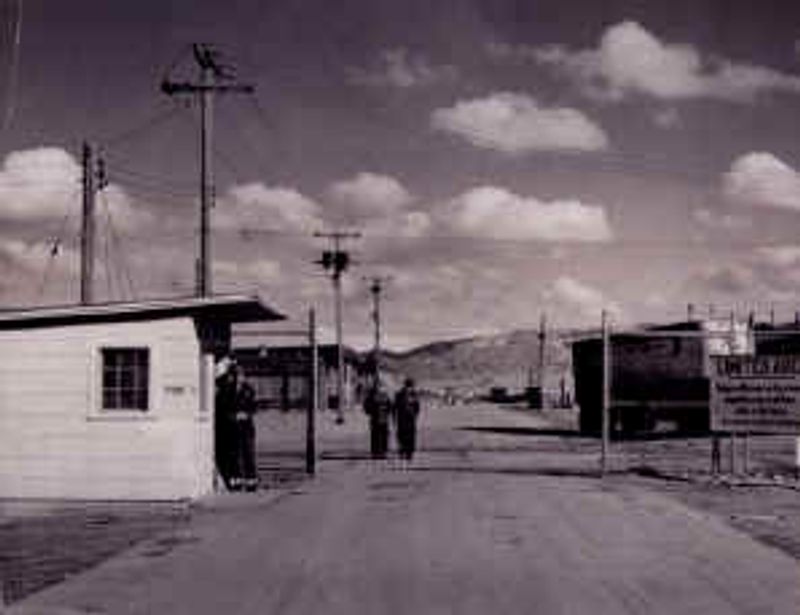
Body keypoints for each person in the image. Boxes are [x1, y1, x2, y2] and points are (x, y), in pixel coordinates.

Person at [232, 368, 258, 492]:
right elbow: (225, 406)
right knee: (236, 456)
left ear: (243, 377)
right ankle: (237, 483)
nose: (237, 379)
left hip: (247, 428)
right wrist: (232, 416)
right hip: (234, 427)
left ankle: (252, 483)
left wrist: (246, 414)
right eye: (235, 376)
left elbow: (253, 407)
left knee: (249, 455)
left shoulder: (249, 390)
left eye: (239, 376)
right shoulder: (229, 390)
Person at [214, 357, 238, 489]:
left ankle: (231, 482)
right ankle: (230, 482)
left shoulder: (225, 391)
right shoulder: (226, 391)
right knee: (227, 456)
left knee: (227, 456)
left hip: (225, 427)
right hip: (225, 427)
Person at [363, 378, 392, 459]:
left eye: (380, 385)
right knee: (375, 435)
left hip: (383, 418)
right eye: (377, 385)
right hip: (375, 418)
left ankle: (383, 452)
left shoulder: (385, 395)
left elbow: (390, 405)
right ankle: (376, 452)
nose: (379, 387)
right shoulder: (371, 395)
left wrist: (387, 412)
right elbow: (366, 405)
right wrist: (370, 412)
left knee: (383, 436)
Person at [394, 378, 421, 460]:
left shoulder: (414, 394)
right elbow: (395, 407)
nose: (409, 388)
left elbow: (417, 406)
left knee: (411, 435)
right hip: (401, 418)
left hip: (410, 418)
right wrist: (394, 417)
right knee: (402, 435)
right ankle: (402, 451)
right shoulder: (399, 394)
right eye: (408, 386)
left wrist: (415, 415)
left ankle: (409, 452)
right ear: (405, 385)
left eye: (411, 386)